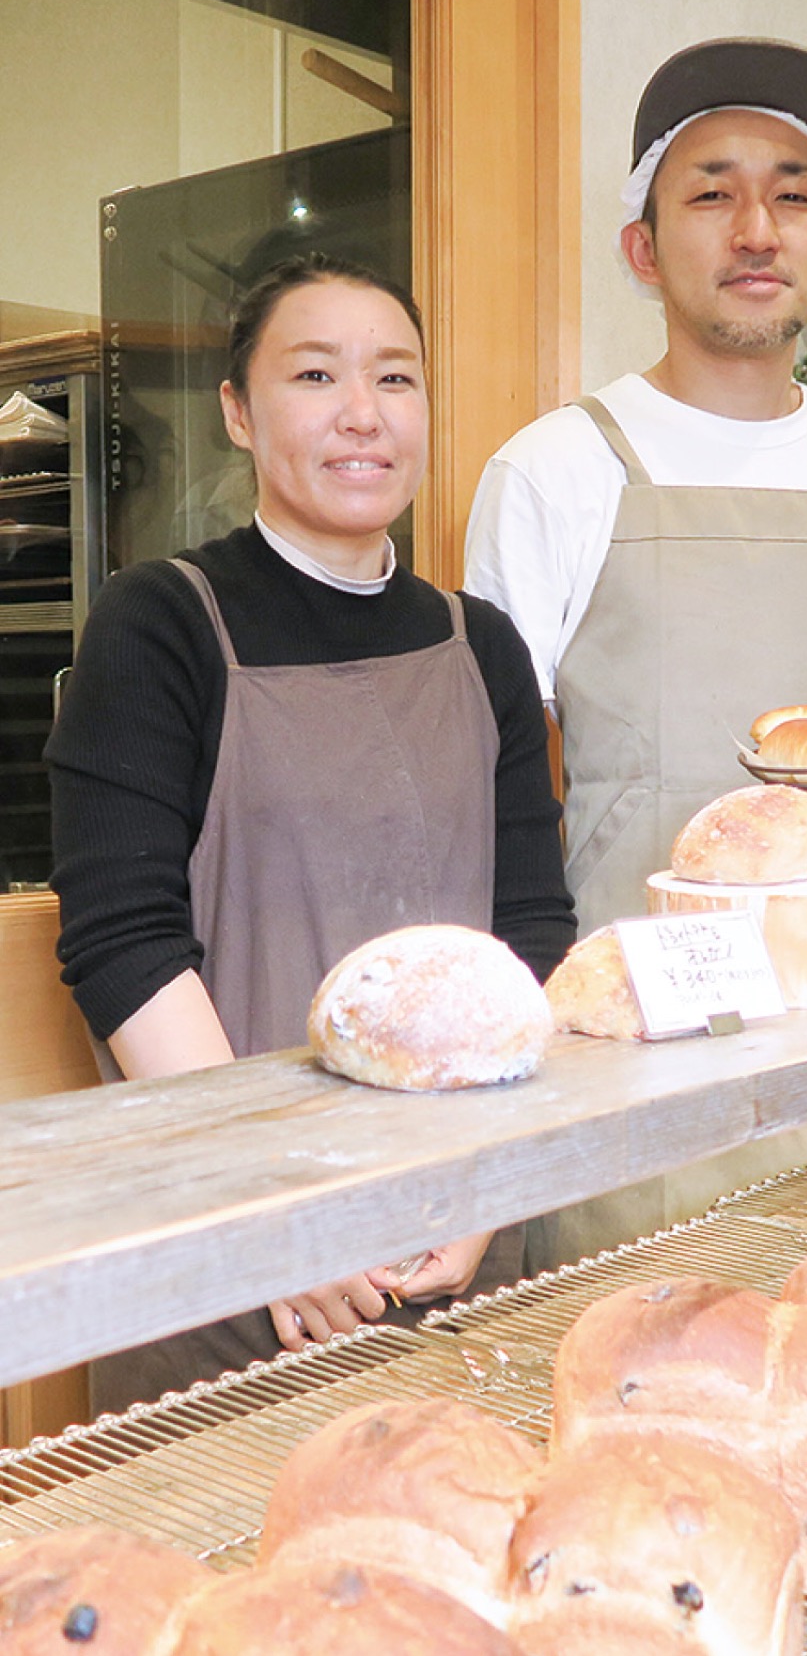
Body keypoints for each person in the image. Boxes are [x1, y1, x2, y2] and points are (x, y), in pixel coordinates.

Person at [463, 37, 807, 1265]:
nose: (757, 227)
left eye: (794, 195)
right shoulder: (556, 466)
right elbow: (483, 780)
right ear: (643, 248)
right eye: (711, 191)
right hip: (624, 1029)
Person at [47, 252, 576, 1412]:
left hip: (470, 1233)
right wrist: (287, 1212)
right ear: (238, 409)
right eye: (315, 374)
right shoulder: (159, 625)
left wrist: (488, 1188)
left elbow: (533, 933)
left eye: (395, 377)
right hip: (230, 1259)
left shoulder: (479, 645)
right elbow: (125, 945)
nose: (362, 414)